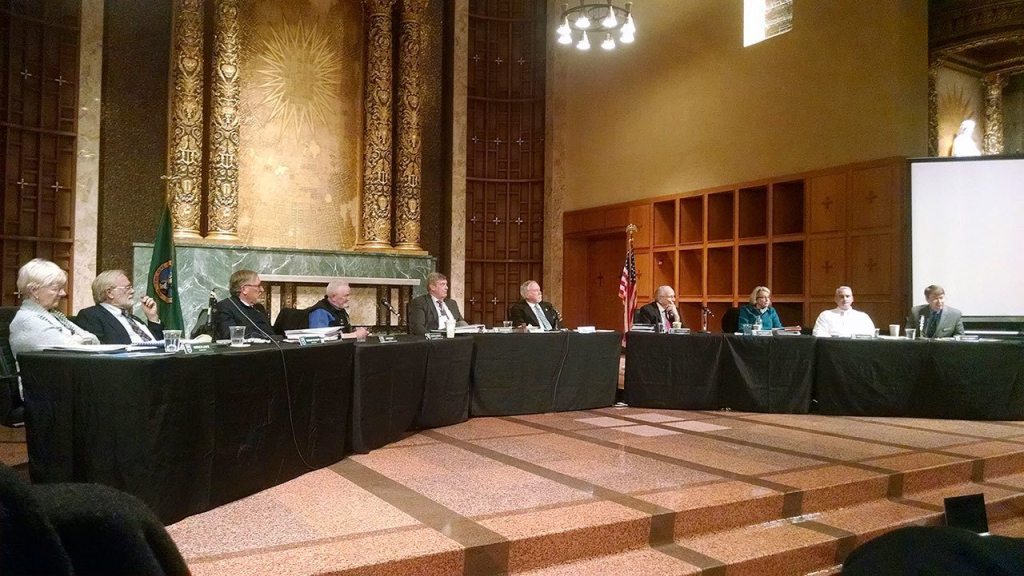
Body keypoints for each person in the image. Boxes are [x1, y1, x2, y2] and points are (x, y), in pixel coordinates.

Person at [9, 258, 99, 357]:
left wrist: (76, 339)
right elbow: (68, 350)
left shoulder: (53, 314)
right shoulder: (28, 320)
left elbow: (95, 340)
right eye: (56, 289)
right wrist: (81, 339)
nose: (63, 293)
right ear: (34, 291)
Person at [75, 270, 164, 344]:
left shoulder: (133, 319)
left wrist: (152, 317)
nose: (132, 291)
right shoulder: (91, 316)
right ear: (110, 293)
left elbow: (159, 343)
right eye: (127, 287)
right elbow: (97, 350)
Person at [214, 269, 275, 340]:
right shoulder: (225, 307)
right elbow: (229, 335)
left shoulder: (259, 308)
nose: (262, 290)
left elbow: (271, 334)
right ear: (244, 289)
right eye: (258, 286)